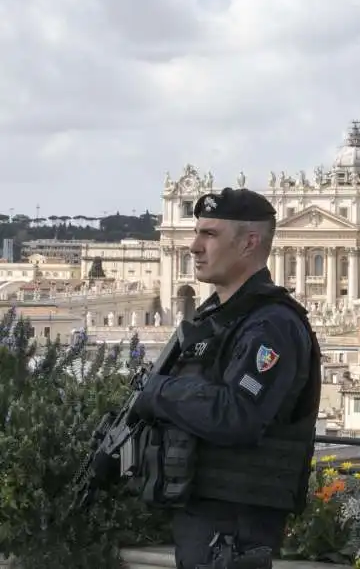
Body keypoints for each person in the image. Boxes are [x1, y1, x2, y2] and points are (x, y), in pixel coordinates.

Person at [129, 187, 322, 569]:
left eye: (210, 234)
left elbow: (238, 414)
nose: (194, 246)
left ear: (250, 243)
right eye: (196, 232)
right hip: (206, 517)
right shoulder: (218, 319)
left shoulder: (272, 326)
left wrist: (158, 391)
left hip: (235, 528)